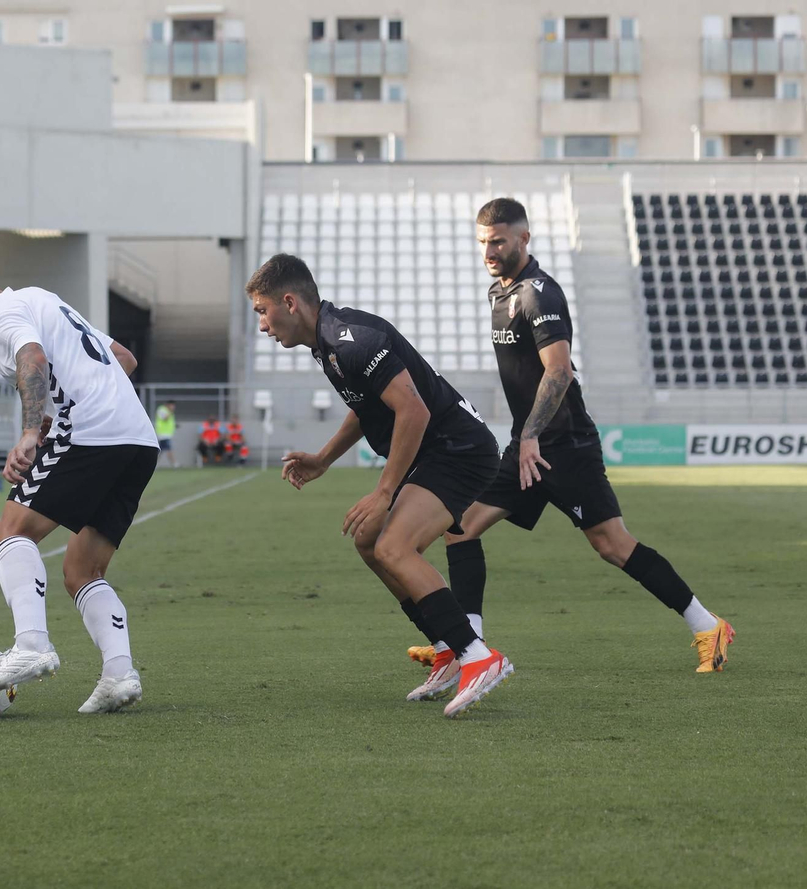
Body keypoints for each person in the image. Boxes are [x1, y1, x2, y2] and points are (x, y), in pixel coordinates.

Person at [433, 198, 734, 686]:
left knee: (612, 545)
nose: (488, 250)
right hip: (526, 445)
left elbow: (559, 370)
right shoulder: (498, 292)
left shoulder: (540, 295)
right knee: (459, 527)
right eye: (482, 242)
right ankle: (469, 652)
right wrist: (525, 437)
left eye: (498, 241)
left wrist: (531, 434)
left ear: (523, 239)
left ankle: (710, 627)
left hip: (564, 446)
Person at [253, 253, 512, 718]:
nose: (262, 325)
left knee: (394, 546)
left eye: (262, 311)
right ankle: (447, 649)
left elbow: (413, 410)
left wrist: (384, 492)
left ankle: (478, 656)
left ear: (289, 302)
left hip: (459, 450)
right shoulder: (326, 344)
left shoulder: (349, 340)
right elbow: (368, 407)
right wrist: (324, 459)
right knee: (371, 540)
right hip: (436, 451)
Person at [0, 252, 155, 713]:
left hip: (92, 430)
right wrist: (71, 408)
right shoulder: (43, 300)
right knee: (82, 570)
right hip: (138, 438)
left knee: (9, 531)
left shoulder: (4, 315)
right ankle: (119, 674)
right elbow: (124, 360)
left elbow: (32, 357)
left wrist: (34, 431)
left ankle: (31, 645)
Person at [154, 400, 177, 467]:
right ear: (168, 405)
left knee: (160, 451)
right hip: (163, 434)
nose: (173, 407)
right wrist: (170, 411)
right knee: (169, 449)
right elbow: (165, 418)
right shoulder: (162, 410)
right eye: (172, 405)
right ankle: (174, 463)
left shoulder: (169, 411)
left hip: (167, 434)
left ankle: (154, 464)